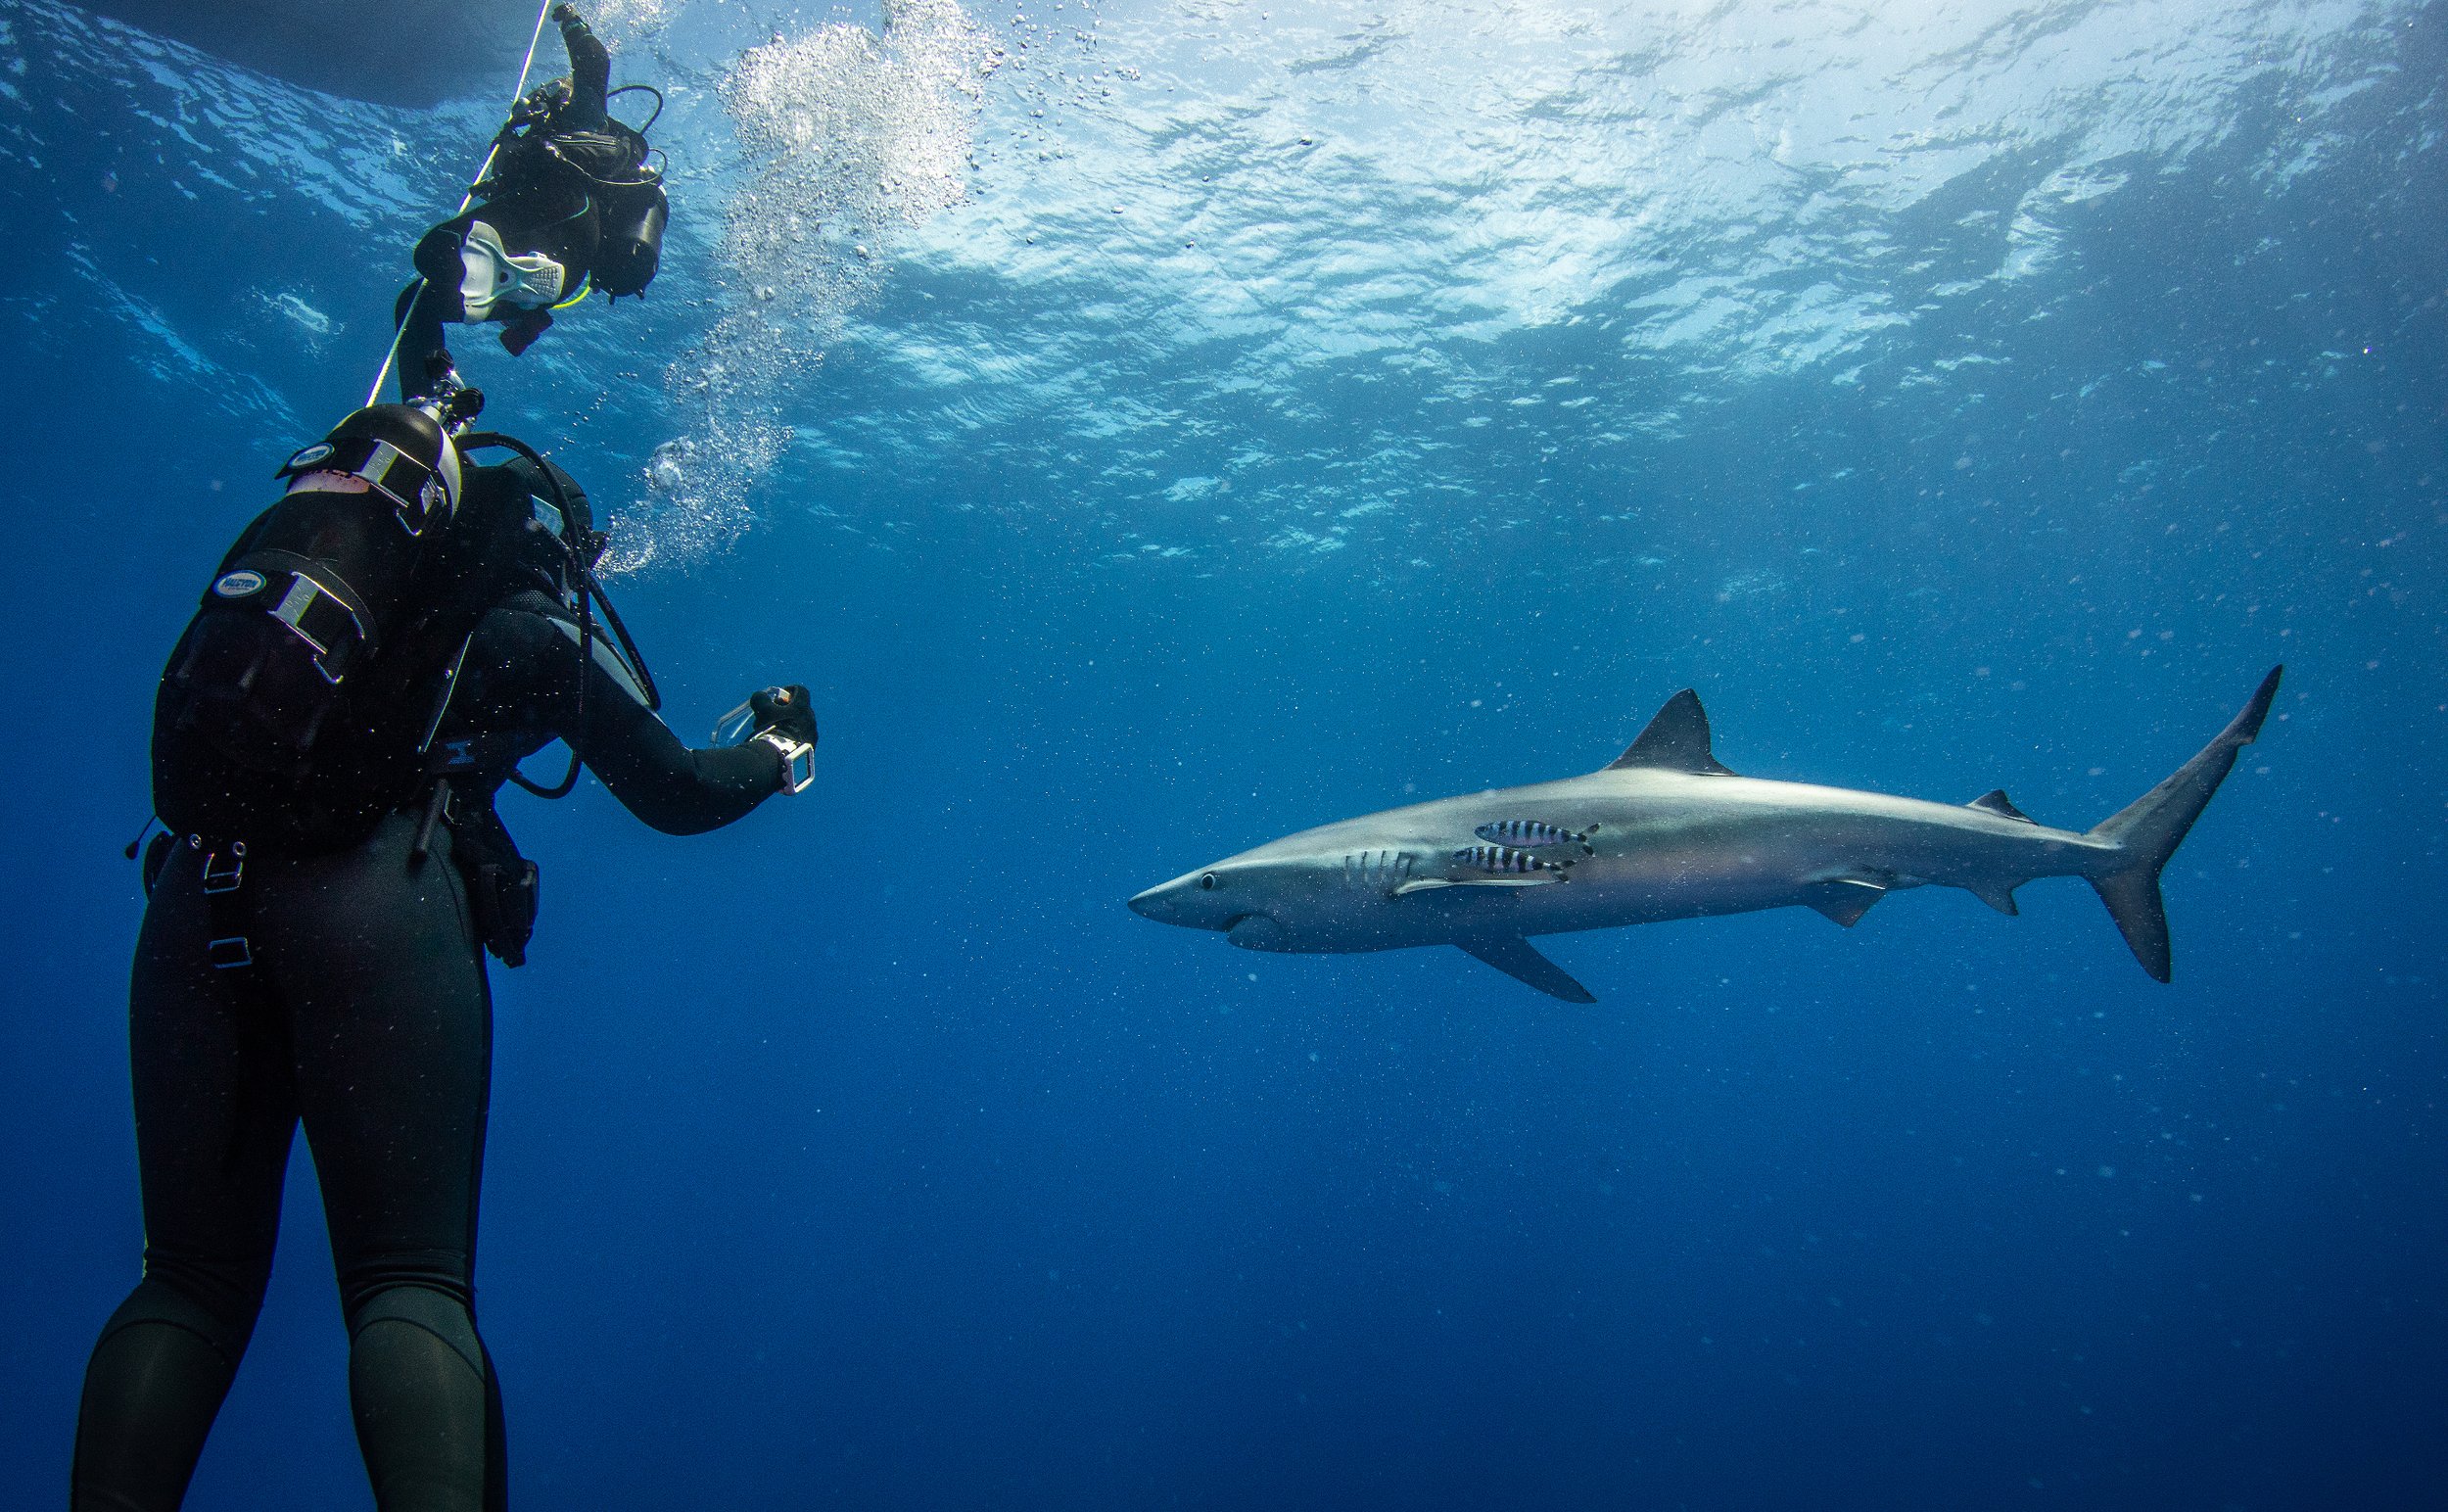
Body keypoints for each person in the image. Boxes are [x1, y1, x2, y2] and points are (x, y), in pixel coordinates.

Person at [71, 410, 817, 1512]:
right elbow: (676, 792)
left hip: (191, 892)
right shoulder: (522, 629)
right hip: (371, 903)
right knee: (406, 1285)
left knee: (185, 1280)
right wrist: (777, 747)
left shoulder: (334, 597)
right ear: (555, 545)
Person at [395, 3, 669, 397]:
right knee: (418, 301)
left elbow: (595, 62)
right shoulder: (529, 145)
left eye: (552, 89)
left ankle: (513, 275)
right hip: (562, 271)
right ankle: (432, 400)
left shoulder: (585, 119)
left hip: (568, 206)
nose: (542, 94)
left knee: (436, 249)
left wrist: (570, 19)